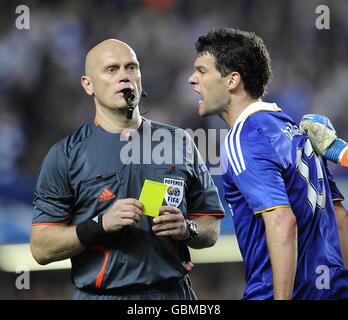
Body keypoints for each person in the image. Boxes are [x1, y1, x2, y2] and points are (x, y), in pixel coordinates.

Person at [30, 39, 225, 300]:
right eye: (112, 70)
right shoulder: (66, 155)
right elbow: (41, 248)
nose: (124, 76)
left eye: (131, 67)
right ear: (88, 84)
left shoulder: (179, 142)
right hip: (102, 296)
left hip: (173, 295)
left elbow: (210, 227)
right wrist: (100, 224)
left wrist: (187, 228)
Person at [188, 27, 348, 300]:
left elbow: (282, 222)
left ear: (232, 80)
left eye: (202, 71)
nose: (192, 80)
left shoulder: (243, 137)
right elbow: (340, 219)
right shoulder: (295, 128)